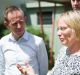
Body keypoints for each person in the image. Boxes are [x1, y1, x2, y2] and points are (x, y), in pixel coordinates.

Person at [18, 10, 80, 75]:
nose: (58, 33)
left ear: (77, 28)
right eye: (58, 29)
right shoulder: (63, 51)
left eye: (63, 28)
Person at [0, 5, 48, 75]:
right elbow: (1, 69)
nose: (19, 26)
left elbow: (43, 71)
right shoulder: (2, 42)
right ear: (7, 25)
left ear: (25, 20)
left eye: (21, 22)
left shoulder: (38, 42)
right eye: (14, 23)